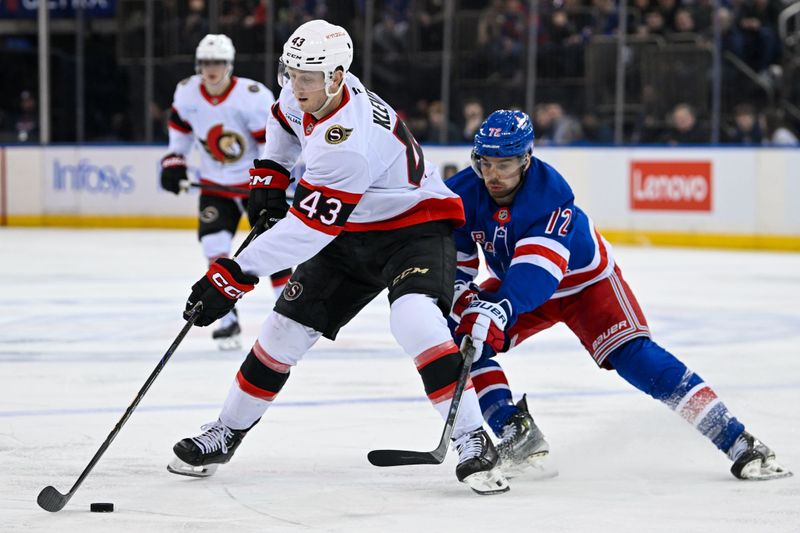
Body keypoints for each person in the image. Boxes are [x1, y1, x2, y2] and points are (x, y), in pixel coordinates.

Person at [167, 20, 510, 495]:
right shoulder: (306, 91)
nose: (295, 84)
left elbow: (307, 230)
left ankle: (473, 438)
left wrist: (235, 275)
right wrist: (272, 171)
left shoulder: (347, 142)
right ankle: (227, 430)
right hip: (353, 229)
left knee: (414, 321)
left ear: (337, 75)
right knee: (282, 330)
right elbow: (284, 122)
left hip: (415, 229)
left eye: (308, 76)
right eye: (290, 72)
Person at [446, 109, 793, 481]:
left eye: (506, 163)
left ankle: (737, 439)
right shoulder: (465, 192)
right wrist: (465, 301)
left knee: (634, 357)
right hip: (519, 285)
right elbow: (456, 264)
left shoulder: (550, 195)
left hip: (585, 284)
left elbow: (537, 273)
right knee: (463, 334)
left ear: (527, 159)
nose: (493, 175)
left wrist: (500, 306)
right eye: (485, 162)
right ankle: (515, 429)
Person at [160, 34, 292, 350]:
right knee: (214, 246)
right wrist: (174, 162)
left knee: (271, 251)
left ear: (229, 64)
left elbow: (271, 143)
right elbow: (179, 133)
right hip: (214, 186)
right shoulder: (187, 92)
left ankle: (288, 317)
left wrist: (270, 180)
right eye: (206, 63)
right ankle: (228, 318)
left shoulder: (251, 96)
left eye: (217, 62)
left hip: (252, 188)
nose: (211, 69)